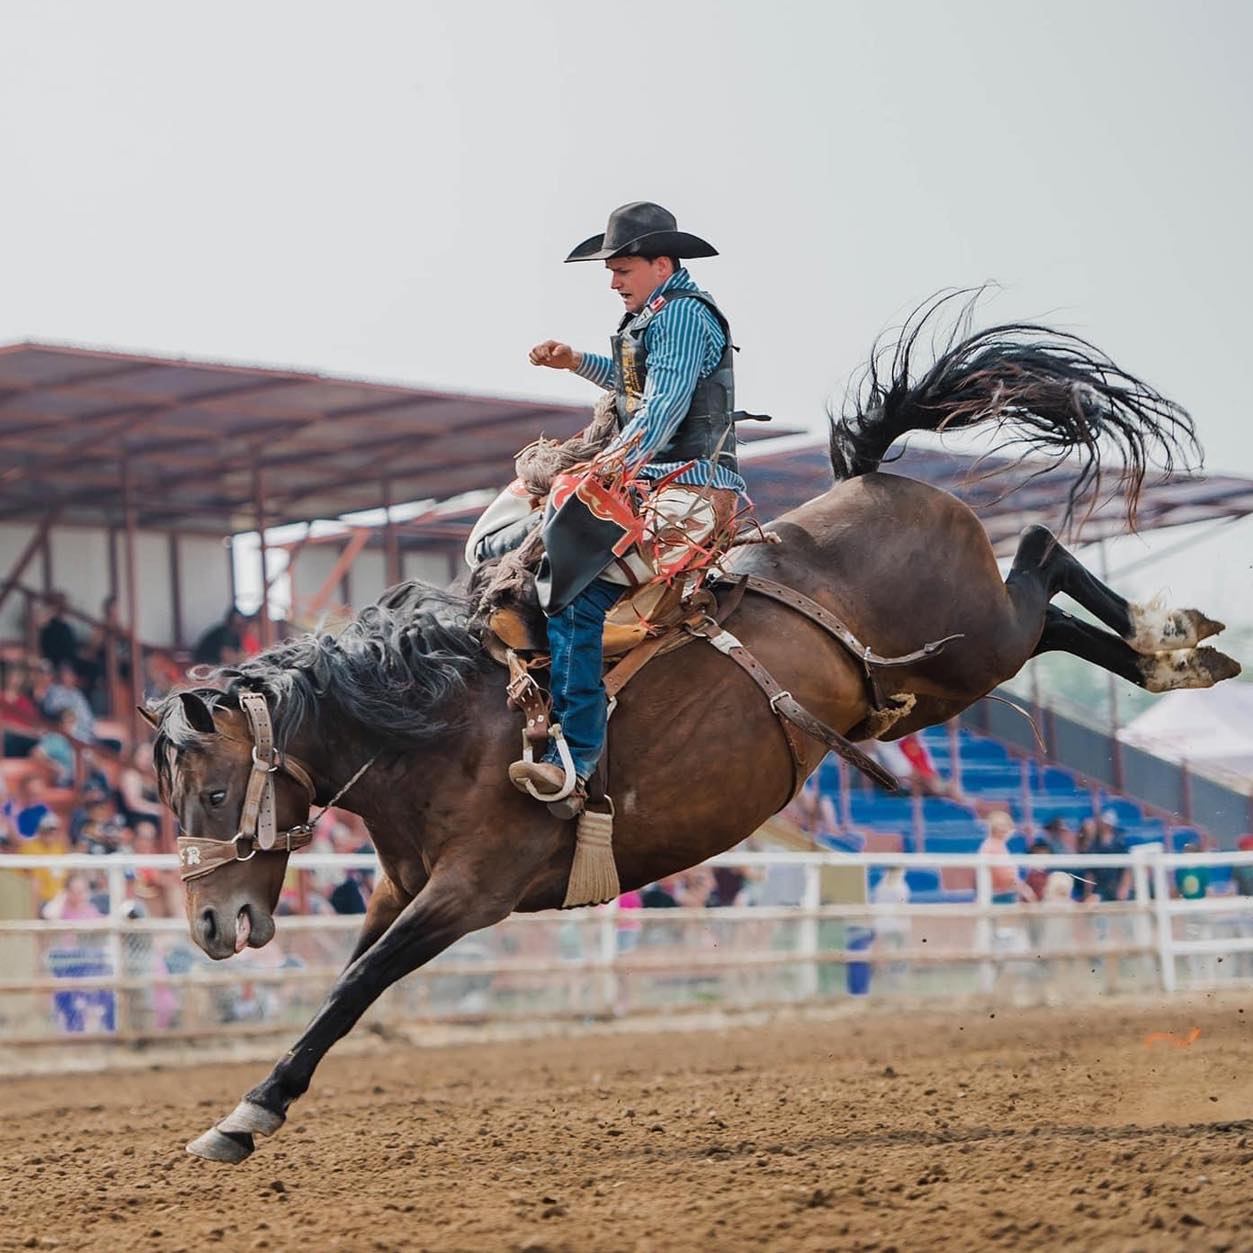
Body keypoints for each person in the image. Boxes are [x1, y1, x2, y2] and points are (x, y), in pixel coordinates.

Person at [503, 202, 748, 809]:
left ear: (662, 264)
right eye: (611, 272)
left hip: (685, 492)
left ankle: (576, 755)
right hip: (656, 485)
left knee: (578, 598)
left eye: (623, 270)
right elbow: (634, 382)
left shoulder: (685, 317)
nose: (613, 283)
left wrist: (610, 464)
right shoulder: (658, 315)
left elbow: (662, 406)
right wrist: (577, 363)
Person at [979, 810, 1032, 904]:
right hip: (1000, 896)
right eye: (1002, 825)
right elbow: (1006, 877)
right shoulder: (992, 846)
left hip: (1003, 894)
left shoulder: (998, 845)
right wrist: (1024, 890)